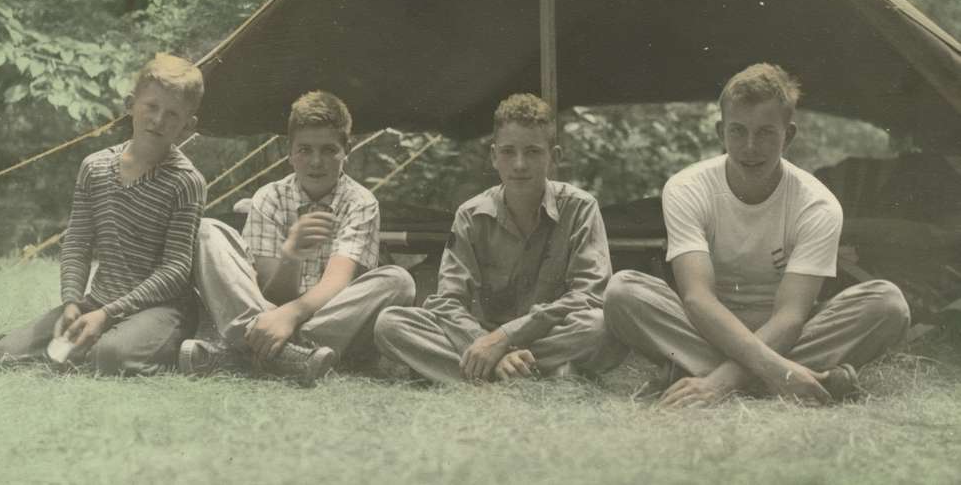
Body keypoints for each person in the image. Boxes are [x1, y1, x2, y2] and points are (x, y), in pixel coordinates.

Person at [604, 63, 911, 406]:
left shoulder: (817, 204)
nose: (750, 146)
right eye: (738, 131)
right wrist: (779, 370)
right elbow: (697, 299)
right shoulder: (686, 187)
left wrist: (719, 383)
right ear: (721, 131)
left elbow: (792, 316)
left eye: (765, 132)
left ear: (789, 135)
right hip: (706, 331)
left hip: (790, 336)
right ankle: (800, 379)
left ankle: (695, 374)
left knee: (888, 304)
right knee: (623, 292)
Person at [374, 94, 624, 383]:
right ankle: (532, 373)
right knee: (391, 323)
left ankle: (481, 372)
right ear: (494, 156)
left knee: (602, 326)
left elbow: (590, 295)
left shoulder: (580, 207)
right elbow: (448, 302)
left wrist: (507, 337)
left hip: (547, 332)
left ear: (554, 156)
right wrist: (485, 342)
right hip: (484, 335)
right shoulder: (471, 214)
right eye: (508, 152)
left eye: (532, 152)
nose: (519, 164)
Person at [0, 54, 207, 375]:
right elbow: (77, 243)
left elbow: (175, 269)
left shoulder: (186, 181)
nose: (158, 120)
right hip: (99, 300)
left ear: (188, 125)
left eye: (172, 114)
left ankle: (184, 349)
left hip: (162, 308)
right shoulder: (95, 167)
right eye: (151, 106)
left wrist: (107, 316)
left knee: (109, 357)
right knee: (2, 354)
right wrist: (72, 303)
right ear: (130, 105)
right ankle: (82, 344)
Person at [181, 91, 414, 382]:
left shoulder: (360, 202)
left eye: (329, 150)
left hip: (327, 317)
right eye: (305, 150)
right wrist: (291, 256)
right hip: (270, 314)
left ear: (347, 150)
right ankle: (293, 356)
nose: (316, 161)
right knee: (206, 231)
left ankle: (244, 354)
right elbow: (268, 294)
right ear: (289, 152)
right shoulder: (270, 197)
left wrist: (289, 317)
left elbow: (338, 282)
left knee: (398, 281)